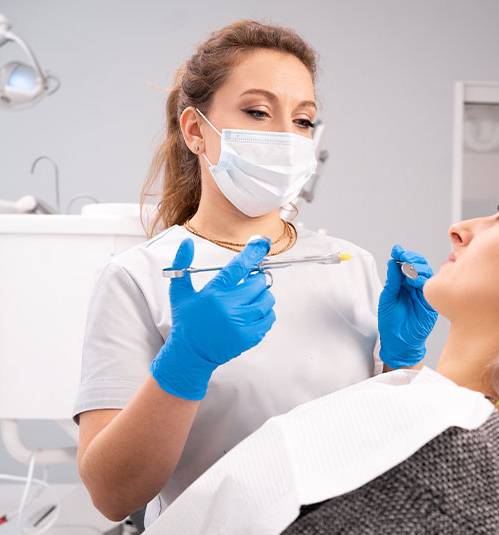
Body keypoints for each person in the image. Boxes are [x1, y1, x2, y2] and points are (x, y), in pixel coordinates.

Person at [143, 155, 499, 535]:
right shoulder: (470, 432)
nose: (461, 228)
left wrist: (188, 360)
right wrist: (400, 370)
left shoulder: (456, 464)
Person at [73, 20, 437, 526]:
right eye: (258, 111)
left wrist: (403, 367)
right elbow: (112, 495)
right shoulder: (139, 277)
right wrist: (186, 363)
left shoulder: (351, 264)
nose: (287, 135)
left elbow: (391, 450)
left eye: (304, 120)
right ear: (196, 130)